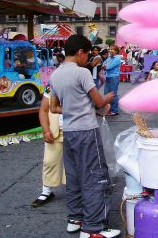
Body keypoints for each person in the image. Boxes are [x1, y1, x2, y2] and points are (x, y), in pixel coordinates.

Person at [48, 35, 119, 237]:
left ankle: (75, 218)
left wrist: (73, 109)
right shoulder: (82, 73)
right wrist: (109, 98)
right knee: (95, 177)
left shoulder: (55, 75)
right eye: (87, 55)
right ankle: (93, 228)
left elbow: (53, 107)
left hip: (69, 131)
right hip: (86, 131)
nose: (87, 59)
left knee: (74, 176)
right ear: (80, 52)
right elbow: (98, 101)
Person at [31, 86, 65, 208]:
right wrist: (46, 131)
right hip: (55, 131)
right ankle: (46, 191)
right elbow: (44, 110)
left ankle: (76, 190)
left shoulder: (81, 80)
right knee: (49, 161)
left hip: (76, 131)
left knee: (75, 163)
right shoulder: (53, 86)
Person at [102, 45, 121, 117]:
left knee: (113, 94)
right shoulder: (109, 58)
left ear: (116, 51)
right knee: (106, 93)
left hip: (114, 77)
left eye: (112, 49)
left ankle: (114, 110)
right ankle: (107, 109)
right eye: (110, 49)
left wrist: (105, 67)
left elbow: (108, 67)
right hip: (108, 76)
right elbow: (103, 65)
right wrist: (105, 66)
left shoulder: (117, 58)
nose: (110, 50)